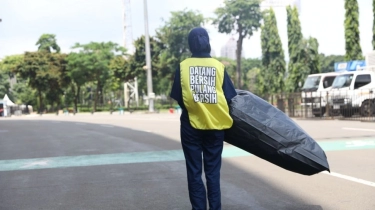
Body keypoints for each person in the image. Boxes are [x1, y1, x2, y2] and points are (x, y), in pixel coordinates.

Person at [170, 27, 237, 210]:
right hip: (216, 127)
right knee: (213, 173)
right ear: (208, 42)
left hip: (191, 125)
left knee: (194, 172)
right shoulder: (219, 66)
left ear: (190, 44)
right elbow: (230, 97)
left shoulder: (183, 66)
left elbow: (178, 96)